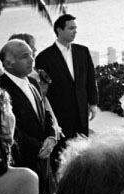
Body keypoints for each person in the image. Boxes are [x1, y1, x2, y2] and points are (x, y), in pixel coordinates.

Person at [35, 13, 98, 165]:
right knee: (62, 154)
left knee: (83, 150)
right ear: (59, 30)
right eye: (71, 28)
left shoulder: (82, 51)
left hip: (81, 111)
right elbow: (43, 91)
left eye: (75, 28)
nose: (75, 31)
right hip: (60, 114)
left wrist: (93, 103)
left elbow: (90, 79)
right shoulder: (44, 57)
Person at [0, 39, 58, 194]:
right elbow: (7, 129)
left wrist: (52, 136)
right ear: (8, 63)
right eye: (25, 56)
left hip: (45, 162)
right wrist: (38, 148)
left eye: (32, 55)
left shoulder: (32, 81)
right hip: (22, 162)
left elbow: (45, 112)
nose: (32, 59)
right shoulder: (1, 89)